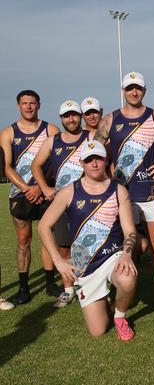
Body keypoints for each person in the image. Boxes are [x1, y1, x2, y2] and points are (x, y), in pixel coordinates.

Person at [94, 72, 154, 311]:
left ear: (144, 90)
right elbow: (95, 152)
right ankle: (125, 291)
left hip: (151, 193)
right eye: (130, 88)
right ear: (123, 90)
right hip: (122, 195)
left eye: (138, 88)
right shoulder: (110, 120)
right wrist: (104, 179)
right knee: (123, 247)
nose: (134, 92)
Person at [38, 140, 138, 340]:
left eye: (98, 159)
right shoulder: (69, 191)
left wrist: (127, 255)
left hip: (113, 257)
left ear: (105, 160)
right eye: (89, 159)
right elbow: (43, 226)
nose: (94, 164)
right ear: (81, 163)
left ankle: (120, 317)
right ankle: (106, 301)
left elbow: (130, 231)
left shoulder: (119, 190)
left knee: (127, 279)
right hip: (85, 266)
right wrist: (58, 261)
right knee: (98, 331)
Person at [0, 90, 60, 304]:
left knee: (47, 238)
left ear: (38, 105)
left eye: (32, 103)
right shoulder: (8, 133)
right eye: (24, 103)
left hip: (44, 192)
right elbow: (7, 166)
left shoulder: (51, 130)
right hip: (21, 193)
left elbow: (55, 164)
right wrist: (27, 188)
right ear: (18, 106)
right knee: (23, 241)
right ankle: (24, 289)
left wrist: (39, 187)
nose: (28, 107)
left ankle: (50, 284)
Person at [32, 100, 89, 308]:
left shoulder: (90, 137)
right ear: (61, 118)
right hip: (62, 203)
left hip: (88, 203)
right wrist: (46, 189)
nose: (71, 119)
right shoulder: (52, 141)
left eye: (74, 115)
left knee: (89, 245)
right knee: (64, 248)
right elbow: (35, 165)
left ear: (80, 116)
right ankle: (68, 290)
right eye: (67, 116)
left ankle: (91, 285)